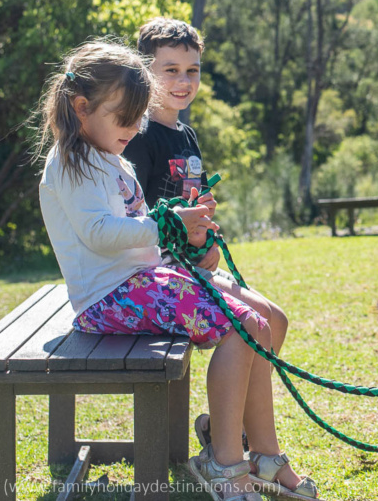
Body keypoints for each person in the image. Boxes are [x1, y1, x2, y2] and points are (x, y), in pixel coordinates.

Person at [35, 40, 318, 501]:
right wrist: (166, 223)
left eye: (137, 117)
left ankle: (264, 455)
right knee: (241, 327)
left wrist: (177, 223)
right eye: (123, 118)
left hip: (139, 283)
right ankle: (224, 463)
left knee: (261, 326)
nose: (134, 128)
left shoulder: (110, 157)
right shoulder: (71, 163)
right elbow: (99, 233)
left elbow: (134, 228)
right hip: (110, 296)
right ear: (80, 108)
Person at [121, 18, 296, 487]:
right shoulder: (135, 138)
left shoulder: (188, 136)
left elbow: (190, 212)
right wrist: (185, 238)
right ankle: (236, 452)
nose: (183, 81)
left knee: (275, 320)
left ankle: (246, 442)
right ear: (143, 72)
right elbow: (136, 222)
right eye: (170, 70)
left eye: (192, 70)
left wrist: (203, 241)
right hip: (154, 274)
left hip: (188, 267)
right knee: (249, 325)